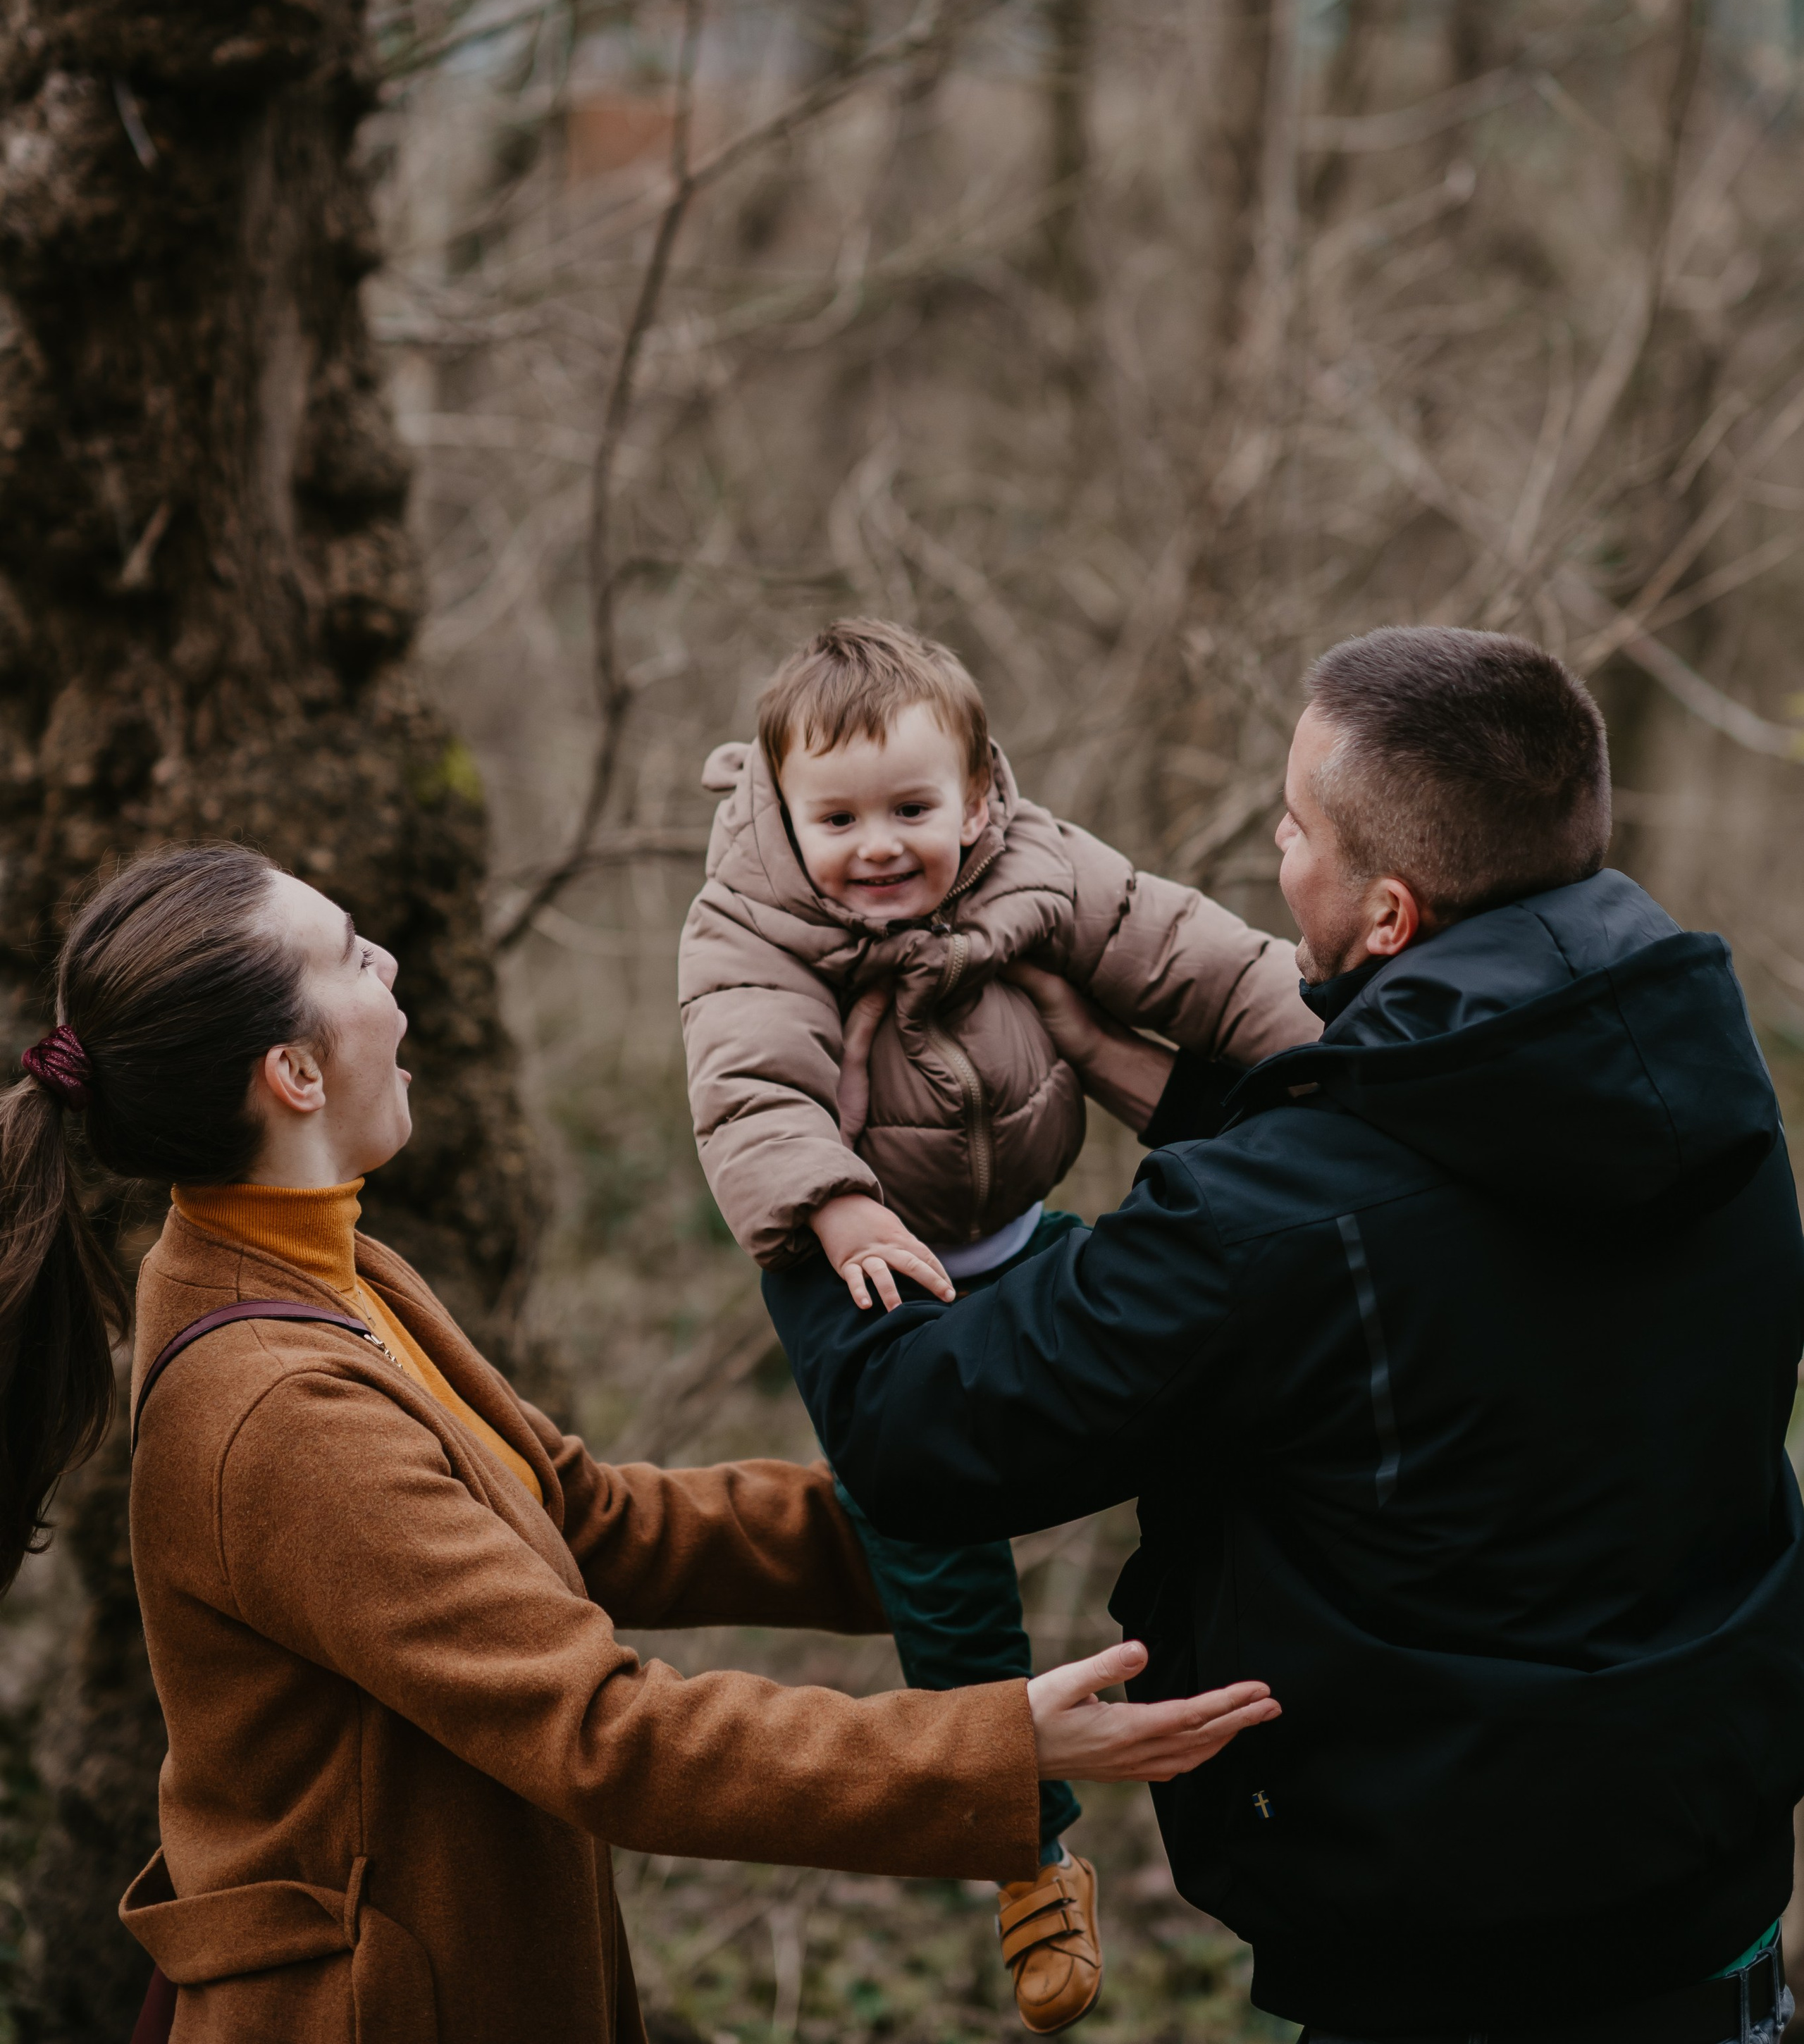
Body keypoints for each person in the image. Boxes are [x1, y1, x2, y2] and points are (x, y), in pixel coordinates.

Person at [0, 843, 1282, 2044]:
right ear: (294, 1075)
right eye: (349, 955)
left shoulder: (321, 1268)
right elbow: (604, 1733)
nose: (388, 963)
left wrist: (961, 1468)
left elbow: (585, 1517)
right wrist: (995, 1748)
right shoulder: (277, 1409)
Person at [771, 625, 1804, 2043]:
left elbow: (921, 1432)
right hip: (1711, 1920)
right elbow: (1415, 1211)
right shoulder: (1701, 1084)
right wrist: (1111, 1052)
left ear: (1386, 915)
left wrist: (802, 1183)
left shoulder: (1278, 1223)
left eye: (1296, 825)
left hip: (1443, 1979)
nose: (1273, 848)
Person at [679, 616, 1314, 2031]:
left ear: (978, 797)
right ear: (783, 811)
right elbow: (749, 1088)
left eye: (910, 809)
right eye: (837, 818)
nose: (876, 847)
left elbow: (1202, 960)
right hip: (861, 1271)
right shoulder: (751, 921)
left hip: (1021, 1235)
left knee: (1214, 1367)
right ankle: (1025, 1850)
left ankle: (1243, 1650)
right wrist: (836, 1206)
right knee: (937, 1538)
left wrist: (1353, 1044)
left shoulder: (1042, 864)